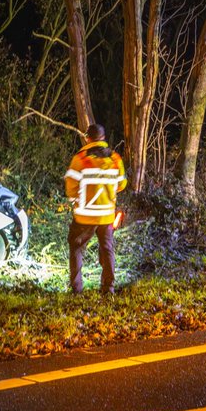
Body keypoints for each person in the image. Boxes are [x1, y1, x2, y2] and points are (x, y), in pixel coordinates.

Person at [64, 123, 127, 294]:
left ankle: (77, 289)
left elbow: (70, 187)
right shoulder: (115, 159)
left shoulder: (80, 159)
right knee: (107, 250)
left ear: (87, 138)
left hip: (84, 217)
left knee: (76, 248)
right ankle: (108, 289)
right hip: (106, 216)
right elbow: (122, 184)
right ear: (103, 138)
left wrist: (76, 198)